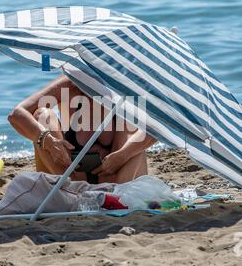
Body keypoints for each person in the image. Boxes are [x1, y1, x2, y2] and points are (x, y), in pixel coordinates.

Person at [8, 75, 156, 184]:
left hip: (116, 179)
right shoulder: (70, 84)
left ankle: (115, 193)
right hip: (69, 176)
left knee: (133, 125)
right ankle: (72, 188)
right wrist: (48, 141)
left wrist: (123, 155)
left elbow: (158, 127)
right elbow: (17, 114)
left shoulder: (125, 87)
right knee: (43, 116)